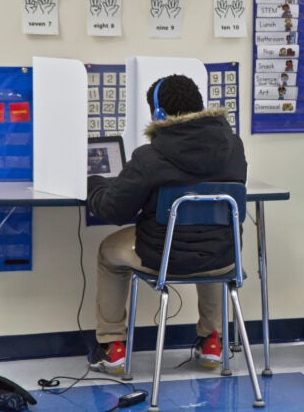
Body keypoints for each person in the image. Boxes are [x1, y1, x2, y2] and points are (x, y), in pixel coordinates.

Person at [86, 74, 247, 375]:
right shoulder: (233, 146)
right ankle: (213, 340)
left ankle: (112, 346)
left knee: (108, 250)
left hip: (164, 258)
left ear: (158, 114)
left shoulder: (151, 156)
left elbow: (113, 209)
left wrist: (94, 185)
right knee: (209, 241)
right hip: (224, 257)